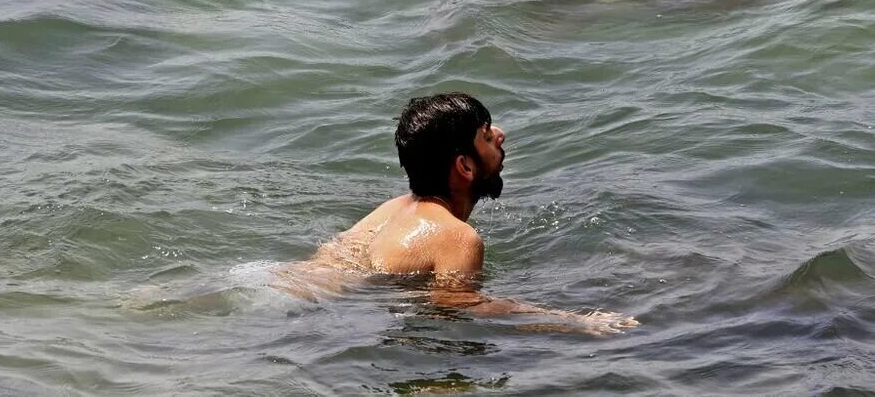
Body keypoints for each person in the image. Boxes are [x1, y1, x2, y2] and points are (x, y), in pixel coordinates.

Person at [270, 92, 637, 335]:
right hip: (303, 321)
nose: (500, 134)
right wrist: (573, 323)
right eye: (484, 133)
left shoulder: (391, 210)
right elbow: (458, 304)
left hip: (277, 290)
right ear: (464, 166)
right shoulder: (457, 237)